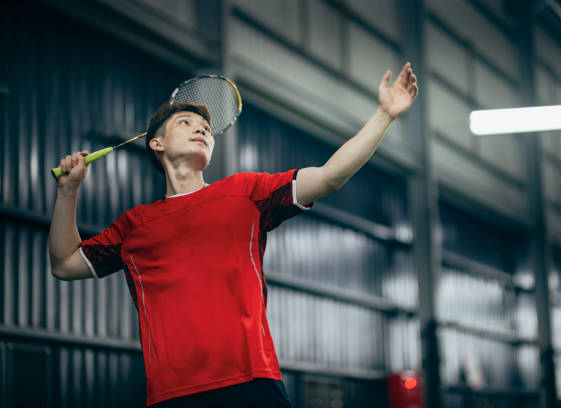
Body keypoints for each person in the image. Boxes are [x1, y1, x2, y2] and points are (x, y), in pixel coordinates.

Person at [48, 63, 418, 407]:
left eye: (206, 127)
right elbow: (64, 263)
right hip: (172, 394)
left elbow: (329, 176)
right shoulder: (133, 226)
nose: (202, 129)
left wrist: (384, 116)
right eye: (186, 122)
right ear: (155, 143)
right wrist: (68, 193)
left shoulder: (247, 192)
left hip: (252, 384)